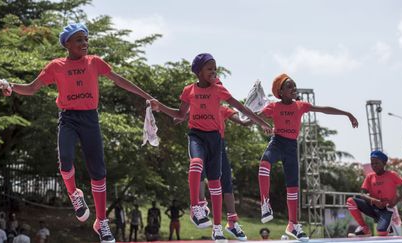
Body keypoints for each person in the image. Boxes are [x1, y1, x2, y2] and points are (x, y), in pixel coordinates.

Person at [0, 23, 156, 243]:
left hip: (90, 118)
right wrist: (9, 85)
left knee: (98, 172)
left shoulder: (95, 62)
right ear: (67, 43)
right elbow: (32, 88)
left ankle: (101, 222)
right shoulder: (56, 66)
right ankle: (74, 194)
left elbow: (119, 80)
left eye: (86, 39)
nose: (84, 43)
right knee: (65, 162)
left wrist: (146, 96)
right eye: (79, 39)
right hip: (69, 118)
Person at [149, 53, 271, 240]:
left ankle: (217, 228)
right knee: (196, 162)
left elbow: (241, 108)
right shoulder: (188, 90)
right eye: (209, 68)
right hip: (197, 136)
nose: (214, 71)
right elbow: (180, 114)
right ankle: (196, 206)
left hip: (215, 139)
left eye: (215, 68)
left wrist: (261, 122)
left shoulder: (219, 91)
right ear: (198, 72)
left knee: (216, 183)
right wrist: (160, 107)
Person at [257, 73, 358, 241]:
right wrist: (258, 121)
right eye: (289, 86)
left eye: (294, 85)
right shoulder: (273, 107)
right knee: (264, 164)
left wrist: (347, 113)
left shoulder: (301, 105)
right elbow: (256, 118)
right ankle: (265, 203)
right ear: (280, 92)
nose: (294, 88)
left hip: (291, 147)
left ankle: (293, 225)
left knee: (293, 187)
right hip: (277, 142)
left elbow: (324, 109)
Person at [198, 105, 251, 241]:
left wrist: (257, 116)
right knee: (199, 171)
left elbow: (244, 122)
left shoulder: (223, 108)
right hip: (200, 141)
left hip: (218, 143)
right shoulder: (197, 104)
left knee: (226, 182)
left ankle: (232, 221)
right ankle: (200, 207)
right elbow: (179, 116)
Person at [346, 150, 402, 237]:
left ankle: (388, 226)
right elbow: (362, 194)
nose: (374, 166)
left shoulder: (392, 175)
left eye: (377, 163)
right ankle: (365, 229)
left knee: (382, 233)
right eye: (372, 163)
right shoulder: (370, 177)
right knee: (350, 201)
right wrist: (374, 201)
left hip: (387, 210)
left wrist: (396, 201)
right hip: (373, 207)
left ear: (384, 163)